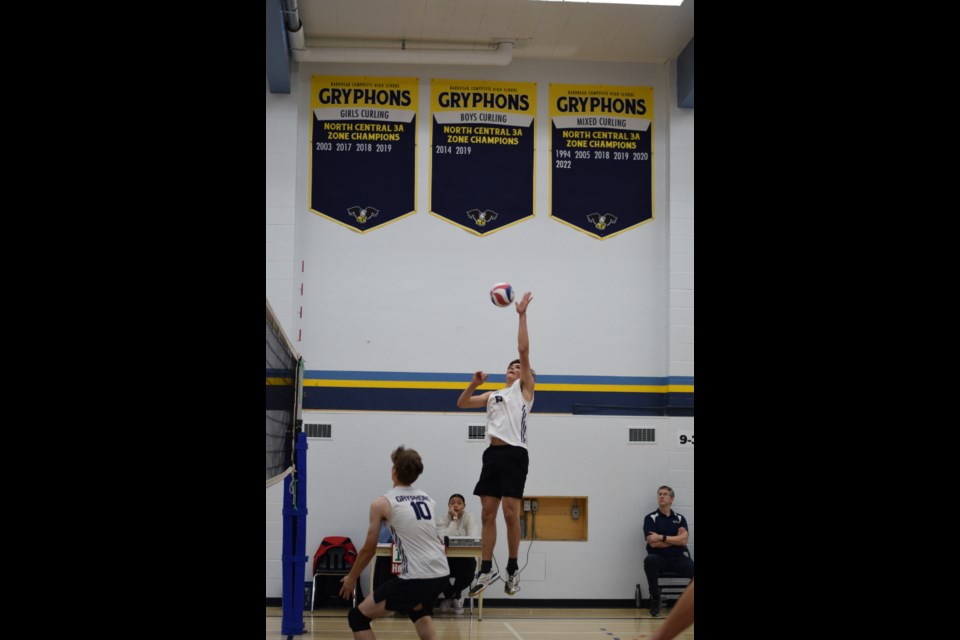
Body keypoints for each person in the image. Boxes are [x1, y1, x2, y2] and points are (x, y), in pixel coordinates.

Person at [456, 291, 534, 597]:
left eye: (519, 368)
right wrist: (474, 383)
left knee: (510, 515)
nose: (514, 369)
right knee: (488, 513)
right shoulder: (494, 394)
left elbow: (524, 349)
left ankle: (513, 569)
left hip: (515, 454)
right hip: (493, 453)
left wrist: (521, 314)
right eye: (511, 367)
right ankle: (486, 569)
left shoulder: (524, 391)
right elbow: (462, 403)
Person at [338, 446, 451, 640]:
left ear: (394, 471)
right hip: (441, 574)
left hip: (416, 577)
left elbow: (368, 549)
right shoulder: (427, 499)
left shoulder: (383, 503)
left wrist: (351, 577)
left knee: (357, 617)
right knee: (419, 612)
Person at [642, 485, 694, 617]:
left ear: (671, 499)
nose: (661, 496)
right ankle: (655, 599)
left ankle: (685, 602)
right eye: (659, 494)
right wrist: (675, 540)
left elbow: (683, 541)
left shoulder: (680, 519)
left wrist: (661, 537)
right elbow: (653, 544)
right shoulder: (650, 518)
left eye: (665, 494)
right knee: (649, 560)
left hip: (678, 558)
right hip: (659, 558)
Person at [434, 493, 481, 613]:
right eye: (452, 503)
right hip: (446, 558)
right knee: (435, 570)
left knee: (471, 568)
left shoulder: (469, 517)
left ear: (464, 506)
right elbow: (444, 539)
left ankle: (451, 596)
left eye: (459, 503)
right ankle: (455, 596)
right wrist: (454, 519)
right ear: (448, 506)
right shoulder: (442, 519)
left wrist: (455, 540)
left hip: (464, 558)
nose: (456, 505)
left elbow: (473, 537)